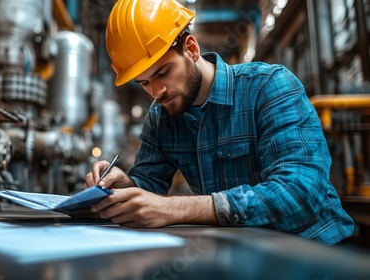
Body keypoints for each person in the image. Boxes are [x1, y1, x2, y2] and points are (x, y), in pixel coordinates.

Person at [84, 0, 354, 245]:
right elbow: (148, 186)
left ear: (191, 48)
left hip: (317, 251)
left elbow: (299, 195)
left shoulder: (269, 86)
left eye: (163, 72)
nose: (156, 92)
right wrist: (125, 187)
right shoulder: (161, 118)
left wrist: (174, 208)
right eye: (144, 83)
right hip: (247, 255)